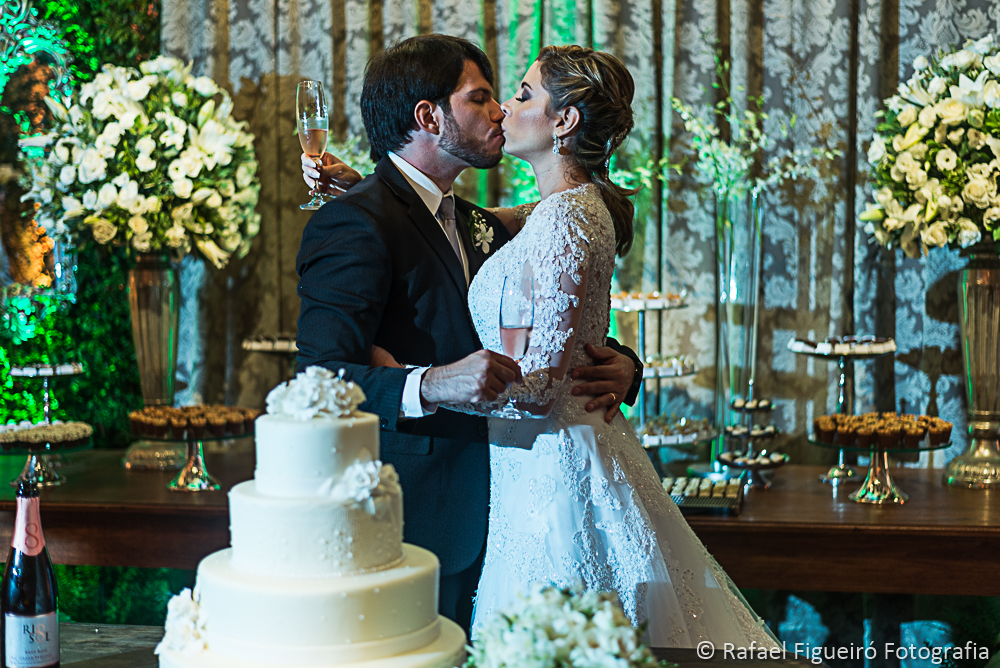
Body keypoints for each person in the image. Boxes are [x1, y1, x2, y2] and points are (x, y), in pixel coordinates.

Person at [374, 44, 779, 648]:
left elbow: (538, 393)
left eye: (523, 95)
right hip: (524, 467)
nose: (505, 109)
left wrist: (422, 380)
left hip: (554, 467)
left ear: (563, 122)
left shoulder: (568, 219)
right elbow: (452, 221)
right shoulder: (552, 212)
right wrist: (366, 187)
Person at [294, 34, 644, 635]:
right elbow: (321, 380)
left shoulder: (480, 223)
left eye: (508, 96)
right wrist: (428, 384)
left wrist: (625, 363)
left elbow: (562, 304)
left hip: (520, 504)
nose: (500, 111)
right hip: (422, 519)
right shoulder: (356, 221)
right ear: (429, 116)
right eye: (481, 98)